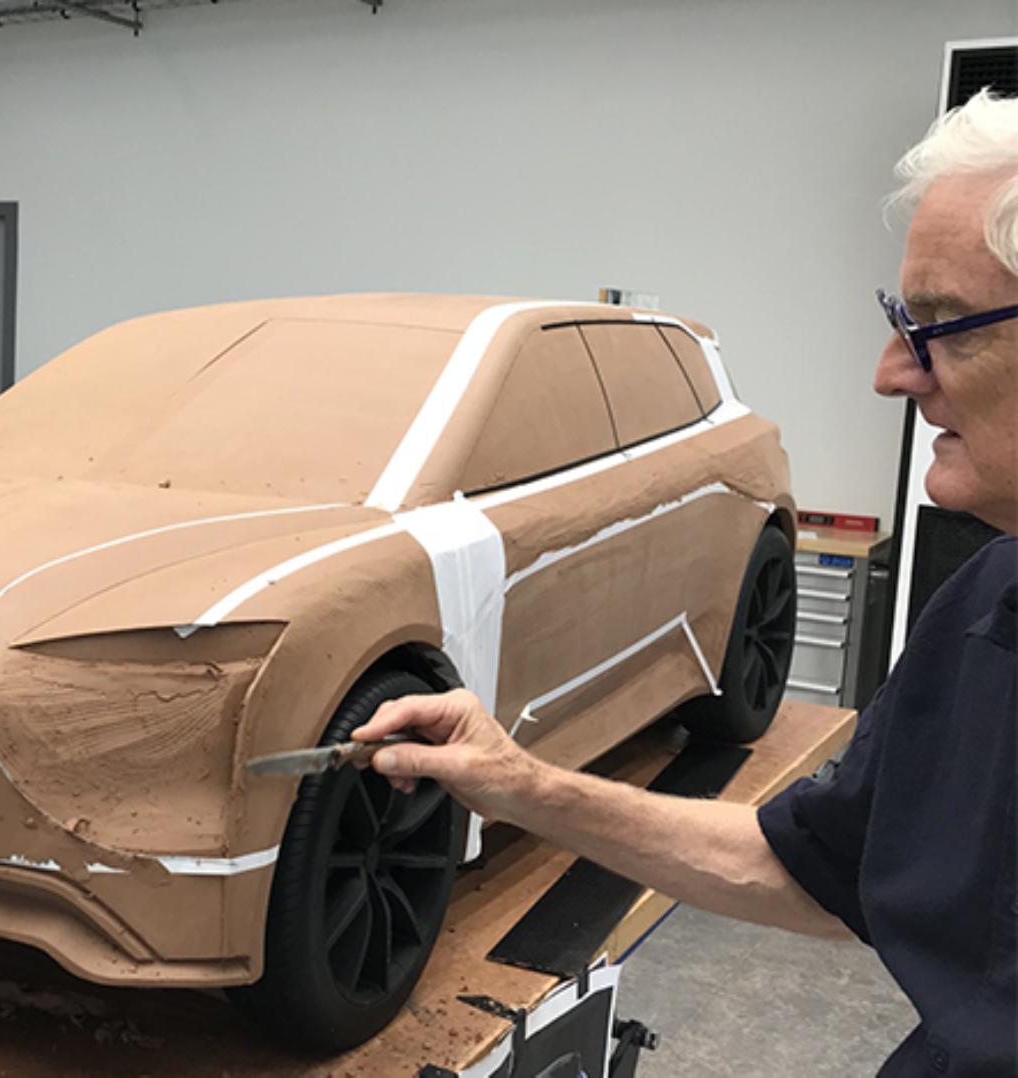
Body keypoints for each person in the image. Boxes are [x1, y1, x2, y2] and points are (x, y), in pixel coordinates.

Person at [353, 92, 1017, 1076]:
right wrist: (517, 785)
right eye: (902, 320)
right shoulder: (985, 604)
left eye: (945, 325)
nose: (890, 374)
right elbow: (816, 867)